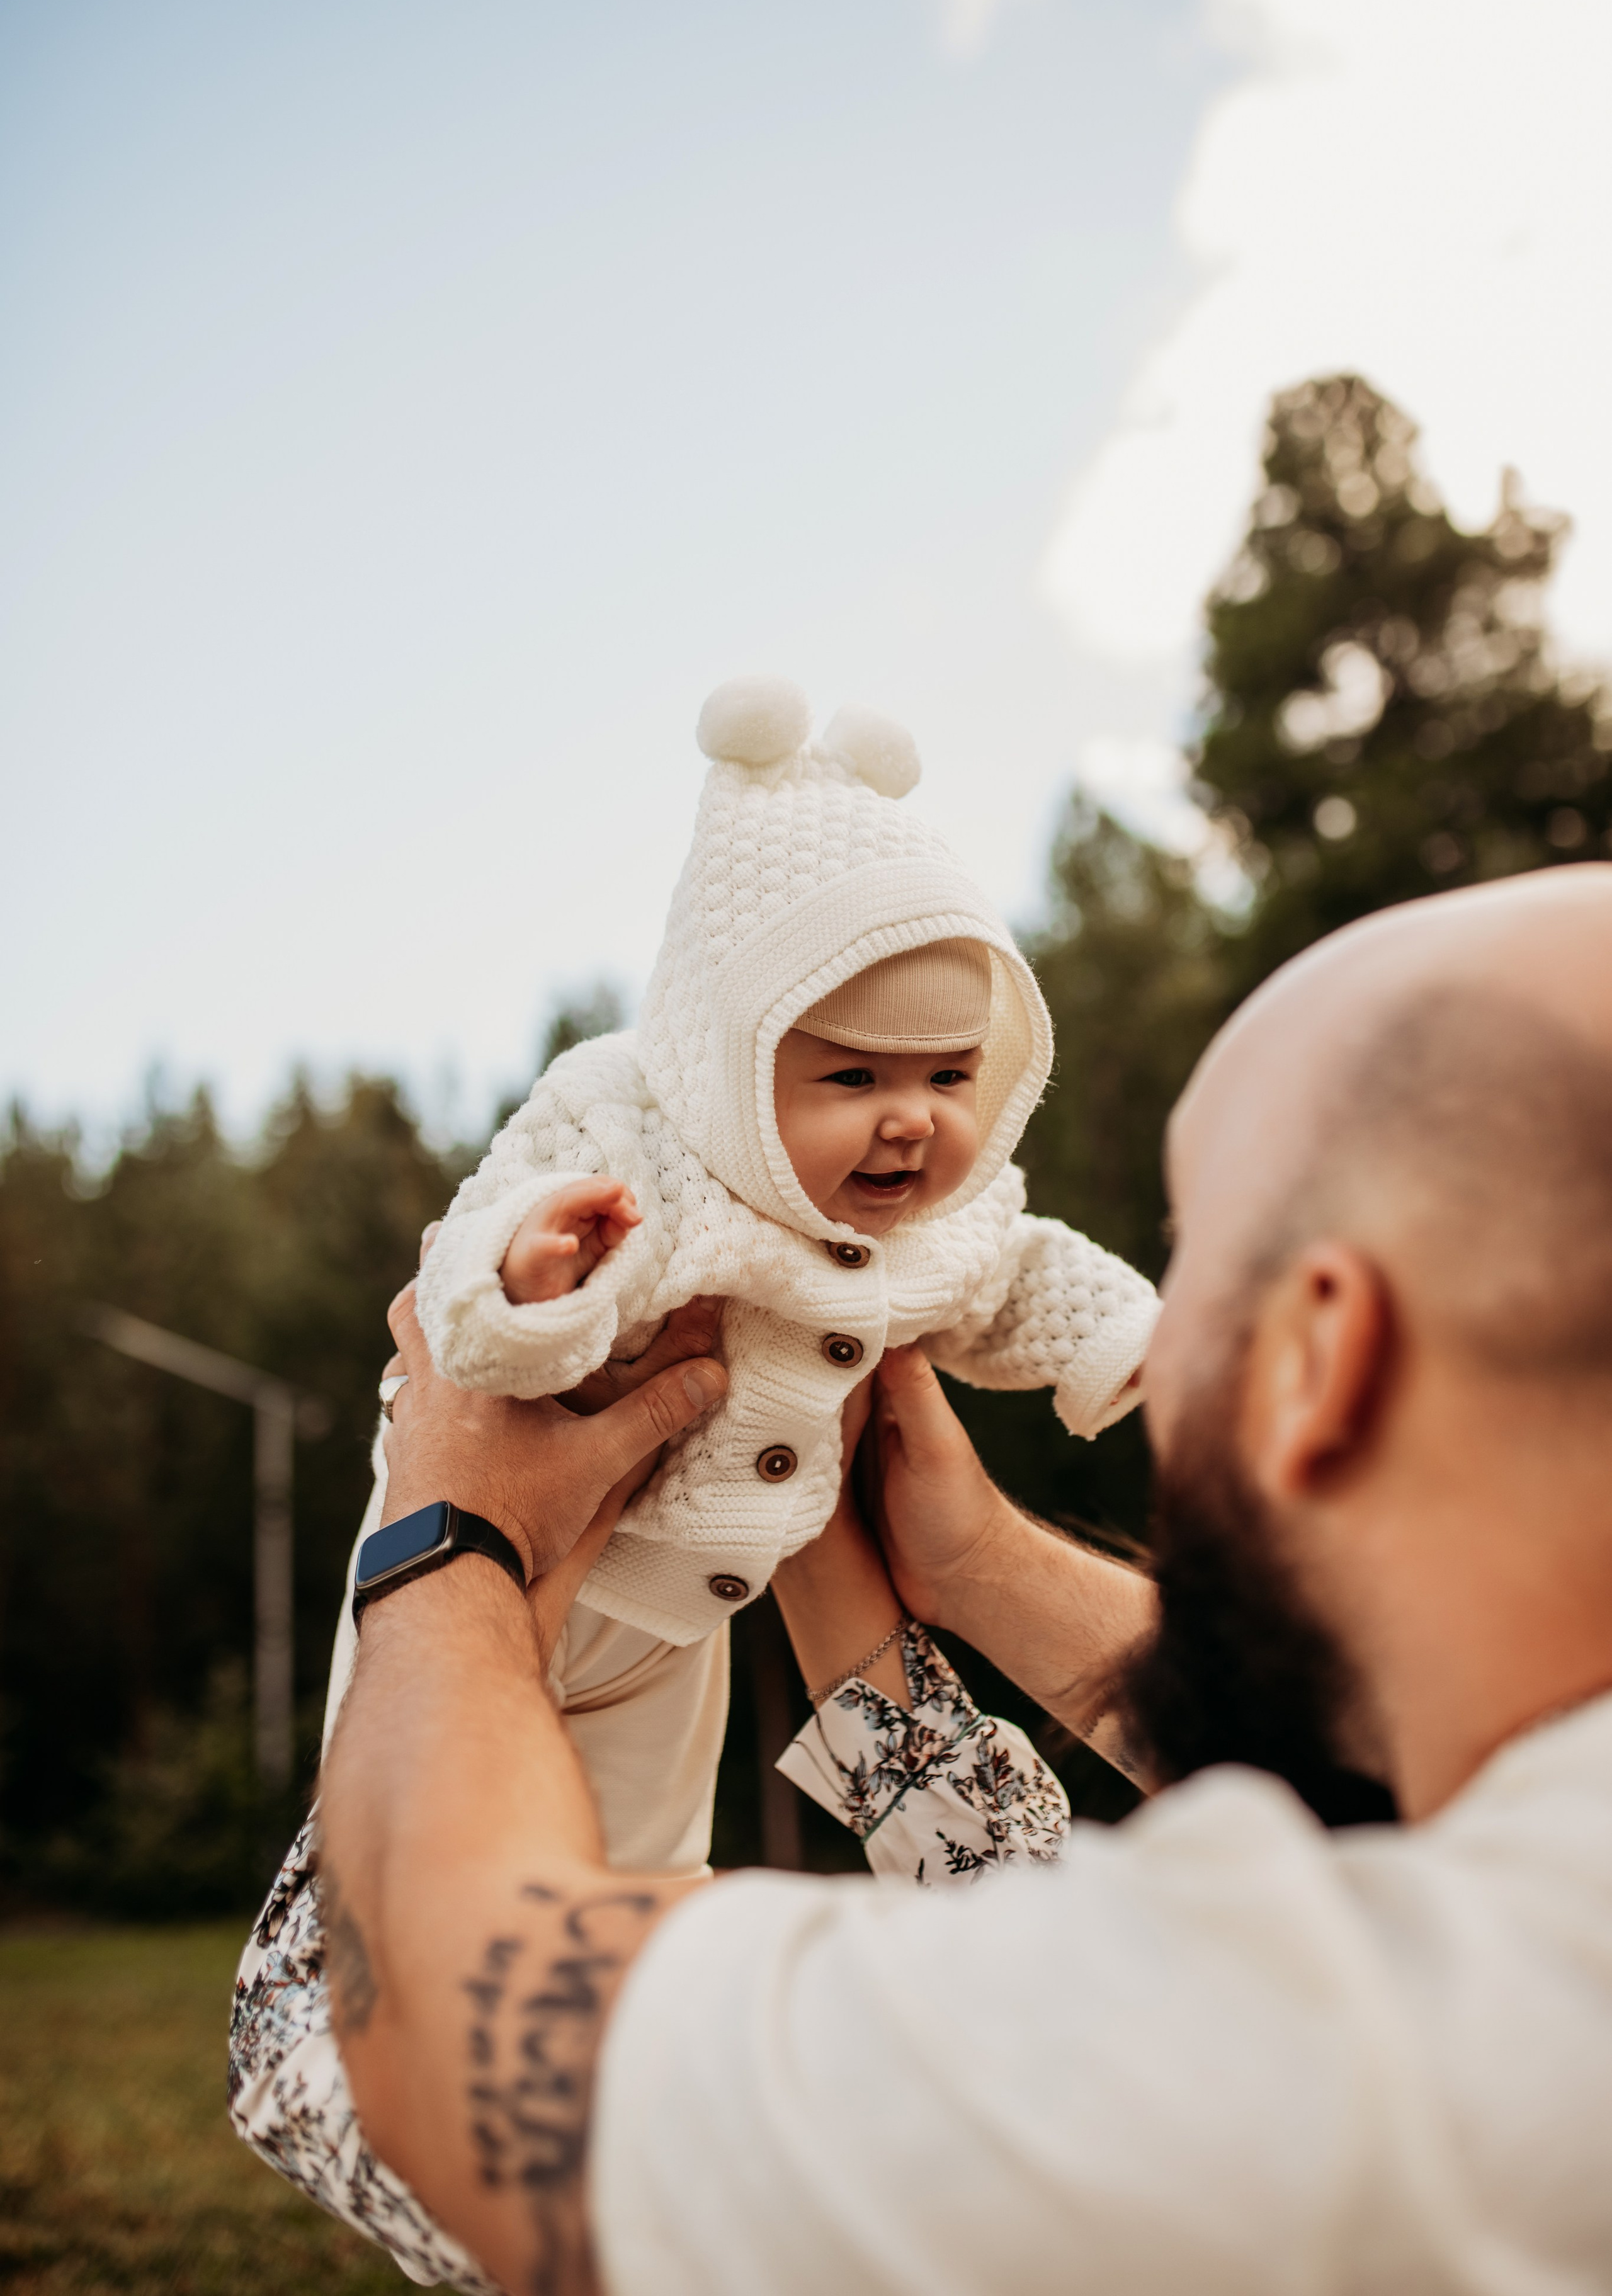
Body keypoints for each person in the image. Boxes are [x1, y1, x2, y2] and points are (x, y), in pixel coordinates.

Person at [241, 864, 1612, 2293]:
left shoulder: (1308, 2073)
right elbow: (1333, 1784)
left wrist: (452, 1540)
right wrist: (967, 1570)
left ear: (1317, 1355)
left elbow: (401, 2045)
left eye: (1185, 1249)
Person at [321, 676, 1155, 1878]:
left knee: (646, 1868)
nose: (914, 1123)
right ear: (729, 1057)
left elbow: (1016, 1275)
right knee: (416, 1861)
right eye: (855, 1079)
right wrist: (530, 1275)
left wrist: (1126, 1338)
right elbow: (467, 1272)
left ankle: (588, 2019)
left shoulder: (941, 1224)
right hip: (492, 1545)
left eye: (951, 1078)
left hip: (676, 1607)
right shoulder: (632, 1129)